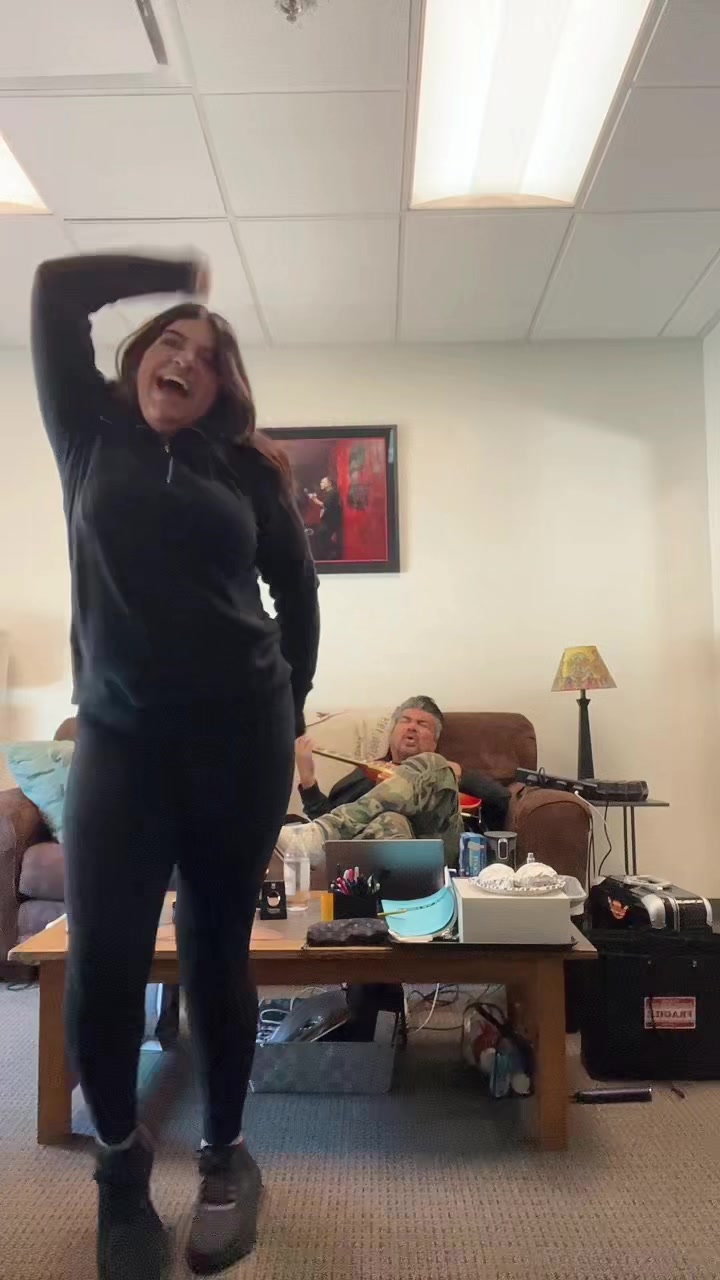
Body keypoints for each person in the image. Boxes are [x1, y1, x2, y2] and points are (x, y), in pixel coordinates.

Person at [31, 252, 319, 1280]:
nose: (186, 358)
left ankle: (225, 1155)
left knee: (215, 952)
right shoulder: (87, 432)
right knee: (103, 963)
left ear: (223, 388)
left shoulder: (243, 471)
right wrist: (172, 274)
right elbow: (56, 289)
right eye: (170, 341)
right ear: (139, 361)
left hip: (240, 741)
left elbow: (298, 593)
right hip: (119, 742)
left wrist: (289, 709)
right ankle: (121, 1168)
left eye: (208, 355)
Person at [277, 696, 510, 866]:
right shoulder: (366, 773)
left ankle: (324, 832)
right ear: (392, 733)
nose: (412, 727)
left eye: (422, 724)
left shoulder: (443, 770)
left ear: (435, 740)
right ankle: (397, 907)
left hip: (439, 848)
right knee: (391, 820)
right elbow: (337, 842)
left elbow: (500, 798)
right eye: (405, 721)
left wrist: (458, 773)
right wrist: (308, 781)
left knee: (432, 764)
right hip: (387, 862)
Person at [309, 475, 343, 559]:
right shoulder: (328, 493)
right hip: (327, 521)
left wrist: (314, 499)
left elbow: (325, 505)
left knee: (323, 539)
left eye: (323, 482)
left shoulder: (333, 493)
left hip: (330, 522)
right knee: (321, 538)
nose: (321, 484)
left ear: (329, 483)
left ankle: (331, 555)